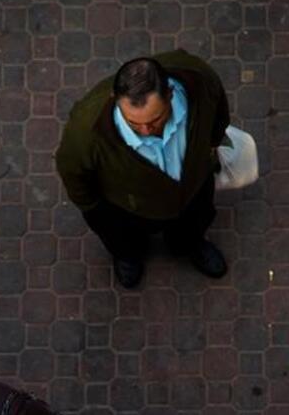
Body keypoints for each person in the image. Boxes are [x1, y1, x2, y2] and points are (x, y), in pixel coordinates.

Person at [56, 51, 231, 289]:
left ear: (169, 94)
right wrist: (98, 211)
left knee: (194, 222)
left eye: (156, 119)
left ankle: (190, 244)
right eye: (133, 124)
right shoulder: (85, 132)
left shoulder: (197, 79)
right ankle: (128, 256)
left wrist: (212, 144)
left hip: (193, 186)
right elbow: (75, 176)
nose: (147, 131)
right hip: (128, 207)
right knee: (125, 239)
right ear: (114, 99)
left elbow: (219, 106)